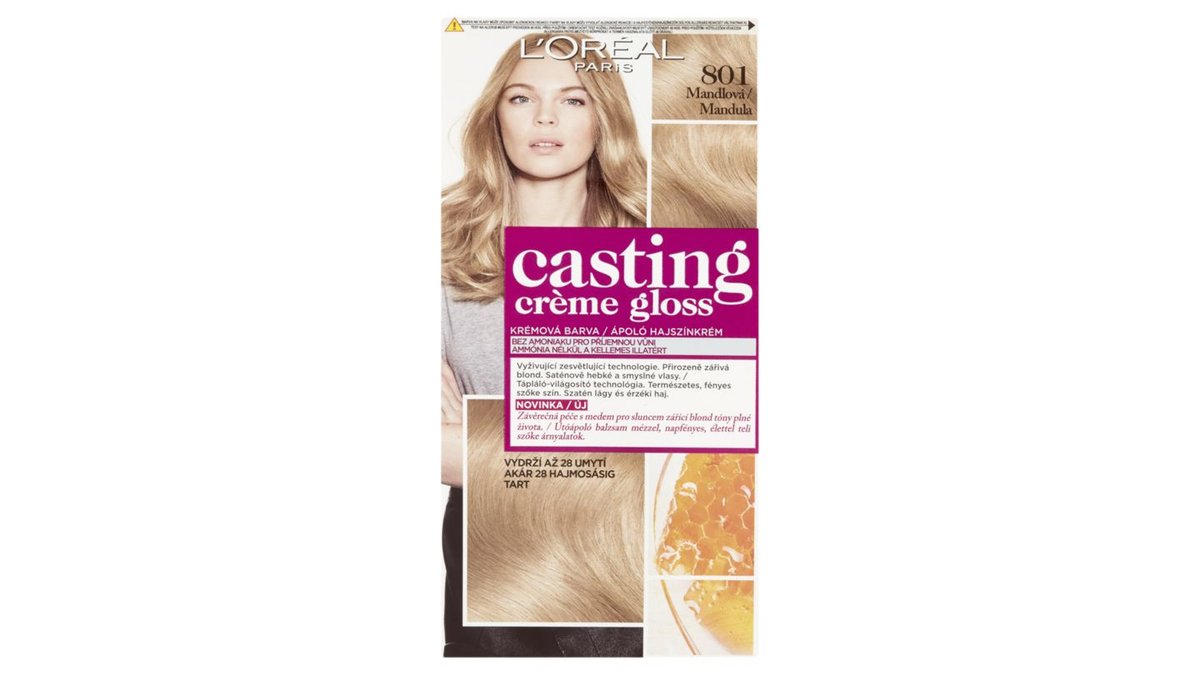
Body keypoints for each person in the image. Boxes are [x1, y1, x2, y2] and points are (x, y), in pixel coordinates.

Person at [439, 33, 646, 657]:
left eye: (574, 100)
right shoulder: (439, 252)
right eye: (522, 97)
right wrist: (607, 437)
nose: (546, 117)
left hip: (627, 569)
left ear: (604, 118)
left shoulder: (663, 252)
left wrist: (476, 435)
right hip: (495, 582)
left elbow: (689, 450)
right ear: (496, 115)